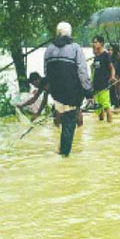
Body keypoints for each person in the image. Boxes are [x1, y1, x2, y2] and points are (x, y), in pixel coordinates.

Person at [44, 21, 93, 157]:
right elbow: (82, 72)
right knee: (69, 125)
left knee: (62, 121)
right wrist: (89, 92)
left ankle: (61, 151)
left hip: (56, 95)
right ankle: (65, 157)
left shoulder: (49, 50)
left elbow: (47, 74)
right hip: (72, 94)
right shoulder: (75, 48)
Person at [91, 35, 115, 122]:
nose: (94, 44)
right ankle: (101, 126)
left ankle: (109, 125)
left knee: (106, 106)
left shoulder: (106, 55)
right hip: (96, 85)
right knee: (98, 108)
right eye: (93, 42)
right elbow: (94, 71)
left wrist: (112, 77)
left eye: (96, 42)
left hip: (104, 85)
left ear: (101, 43)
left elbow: (112, 67)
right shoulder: (96, 56)